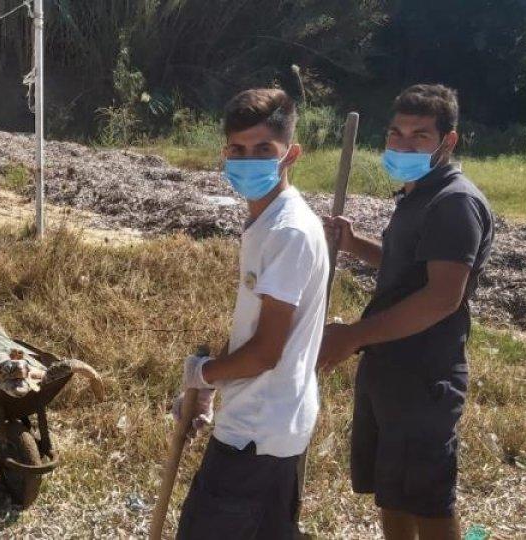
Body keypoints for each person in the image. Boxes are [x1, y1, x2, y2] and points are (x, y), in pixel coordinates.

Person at [317, 84, 495, 540]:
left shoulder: (454, 202)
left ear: (447, 141)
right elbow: (410, 267)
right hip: (390, 366)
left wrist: (353, 335)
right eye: (396, 134)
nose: (402, 145)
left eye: (419, 136)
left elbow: (441, 297)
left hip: (424, 375)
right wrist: (356, 245)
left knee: (428, 500)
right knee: (392, 492)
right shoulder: (420, 194)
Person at [172, 88, 330, 539]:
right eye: (237, 150)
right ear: (225, 154)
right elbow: (253, 330)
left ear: (290, 154)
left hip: (260, 430)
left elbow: (264, 353)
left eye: (264, 149)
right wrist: (209, 388)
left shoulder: (288, 231)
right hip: (267, 421)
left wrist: (203, 374)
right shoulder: (266, 221)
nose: (247, 161)